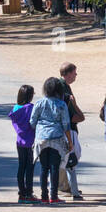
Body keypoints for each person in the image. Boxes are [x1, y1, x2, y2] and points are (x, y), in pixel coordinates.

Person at [30, 77, 72, 204]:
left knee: (44, 168)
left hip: (41, 138)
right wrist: (70, 142)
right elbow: (66, 124)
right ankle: (53, 196)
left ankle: (44, 196)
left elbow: (32, 121)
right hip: (56, 138)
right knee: (55, 167)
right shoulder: (61, 104)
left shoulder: (39, 103)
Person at [57, 62, 84, 199]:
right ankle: (63, 186)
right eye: (74, 72)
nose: (76, 75)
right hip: (67, 128)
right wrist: (77, 117)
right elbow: (67, 109)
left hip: (68, 127)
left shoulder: (64, 86)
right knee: (67, 158)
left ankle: (66, 185)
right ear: (67, 74)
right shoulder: (62, 87)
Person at [10, 85, 38, 203]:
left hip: (20, 141)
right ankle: (29, 193)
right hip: (31, 142)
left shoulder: (16, 108)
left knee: (21, 167)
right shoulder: (31, 108)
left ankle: (22, 194)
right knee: (30, 169)